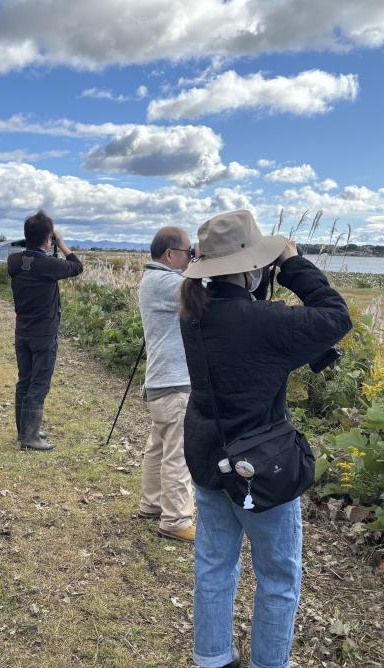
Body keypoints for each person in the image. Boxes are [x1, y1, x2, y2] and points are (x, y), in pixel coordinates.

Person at [178, 210, 351, 668]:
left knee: (215, 565)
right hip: (261, 465)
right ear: (251, 263)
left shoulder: (194, 313)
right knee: (278, 577)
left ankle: (211, 658)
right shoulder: (264, 321)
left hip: (207, 454)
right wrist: (292, 263)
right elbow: (336, 316)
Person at [137, 227, 197, 543]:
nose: (191, 257)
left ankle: (152, 504)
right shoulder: (167, 282)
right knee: (178, 454)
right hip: (175, 383)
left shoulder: (153, 279)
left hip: (161, 382)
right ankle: (176, 520)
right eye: (188, 252)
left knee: (158, 448)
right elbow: (207, 296)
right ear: (170, 254)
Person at [7, 210, 83, 451]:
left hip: (22, 331)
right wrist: (61, 244)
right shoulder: (48, 265)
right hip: (44, 334)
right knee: (39, 384)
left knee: (24, 381)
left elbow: (30, 258)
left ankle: (25, 431)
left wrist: (44, 243)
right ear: (48, 238)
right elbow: (76, 266)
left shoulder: (14, 262)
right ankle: (30, 438)